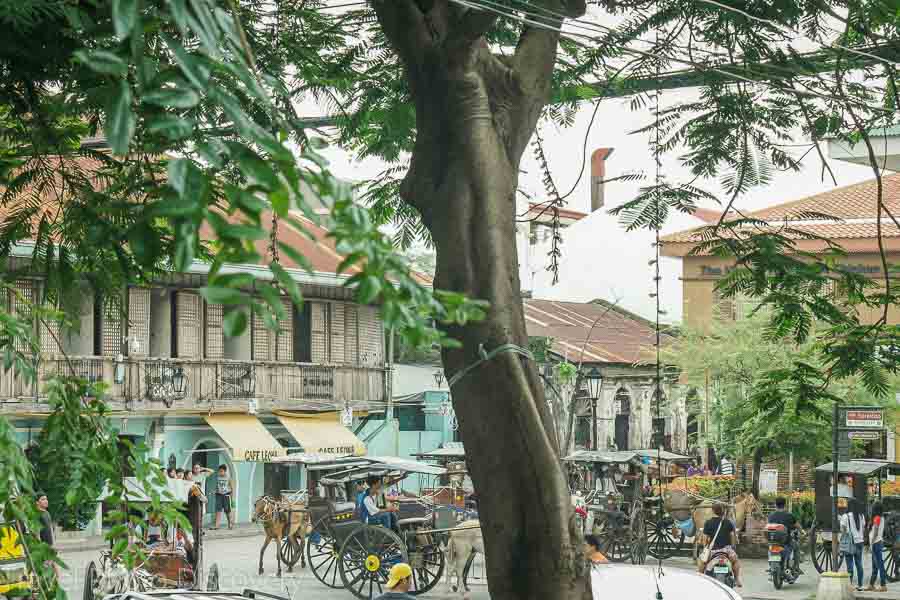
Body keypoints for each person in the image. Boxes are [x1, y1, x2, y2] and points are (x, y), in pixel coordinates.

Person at [699, 503, 742, 588]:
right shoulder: (729, 522)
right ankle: (737, 579)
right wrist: (733, 547)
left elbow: (704, 539)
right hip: (726, 550)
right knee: (736, 561)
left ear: (713, 511)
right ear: (723, 511)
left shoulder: (708, 523)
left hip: (712, 551)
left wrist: (705, 547)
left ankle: (700, 579)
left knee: (702, 562)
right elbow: (733, 537)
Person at [767, 497, 801, 573]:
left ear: (775, 505)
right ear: (785, 505)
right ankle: (796, 567)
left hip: (773, 542)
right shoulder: (789, 515)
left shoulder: (771, 516)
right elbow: (798, 526)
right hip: (786, 542)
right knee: (797, 547)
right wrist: (802, 532)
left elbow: (768, 527)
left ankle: (771, 567)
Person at [839, 498, 866, 591]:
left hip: (850, 543)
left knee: (849, 565)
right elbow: (863, 528)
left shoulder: (845, 516)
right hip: (860, 542)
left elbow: (842, 530)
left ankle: (850, 585)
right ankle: (860, 585)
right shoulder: (861, 516)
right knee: (859, 564)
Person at [868, 501, 888, 592]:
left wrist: (871, 543)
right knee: (875, 566)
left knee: (879, 565)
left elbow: (875, 532)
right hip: (879, 542)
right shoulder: (882, 518)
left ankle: (883, 585)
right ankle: (871, 584)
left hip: (876, 543)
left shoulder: (876, 518)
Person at [213, 464, 234, 530]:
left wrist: (232, 498)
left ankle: (230, 524)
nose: (220, 472)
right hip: (219, 495)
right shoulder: (217, 477)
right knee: (218, 510)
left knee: (227, 511)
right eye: (219, 471)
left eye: (221, 471)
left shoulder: (228, 478)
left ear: (225, 471)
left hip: (226, 495)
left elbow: (232, 488)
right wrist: (215, 491)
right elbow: (216, 486)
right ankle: (217, 525)